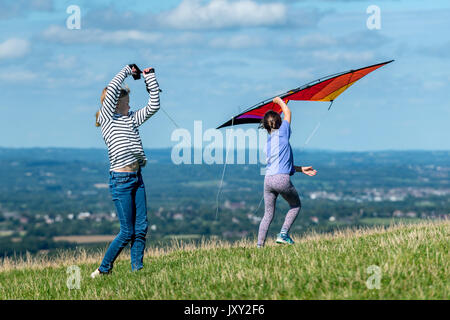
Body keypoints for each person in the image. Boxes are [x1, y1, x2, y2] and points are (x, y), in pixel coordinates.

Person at [90, 64, 160, 278]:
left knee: (141, 228)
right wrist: (127, 70)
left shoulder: (131, 118)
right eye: (127, 101)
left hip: (137, 177)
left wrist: (150, 78)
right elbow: (111, 89)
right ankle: (103, 270)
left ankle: (137, 271)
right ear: (115, 103)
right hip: (120, 180)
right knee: (127, 231)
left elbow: (154, 105)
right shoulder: (107, 120)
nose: (130, 104)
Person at [257, 97, 317, 248]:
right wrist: (280, 101)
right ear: (280, 123)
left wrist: (301, 169)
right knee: (295, 205)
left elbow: (282, 164)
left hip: (268, 179)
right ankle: (283, 234)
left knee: (268, 214)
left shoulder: (267, 144)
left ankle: (259, 246)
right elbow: (287, 112)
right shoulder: (283, 132)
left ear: (265, 127)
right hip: (281, 179)